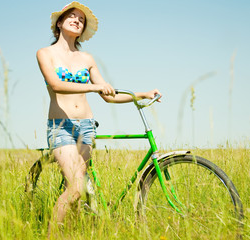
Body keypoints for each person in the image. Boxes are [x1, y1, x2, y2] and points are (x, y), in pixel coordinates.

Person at [36, 1, 161, 233]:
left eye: (81, 20)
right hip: (61, 126)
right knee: (75, 187)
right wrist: (95, 87)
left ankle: (74, 230)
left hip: (86, 126)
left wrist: (142, 93)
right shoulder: (45, 53)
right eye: (72, 16)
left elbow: (108, 95)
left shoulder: (87, 59)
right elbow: (56, 84)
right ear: (60, 23)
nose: (77, 20)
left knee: (79, 188)